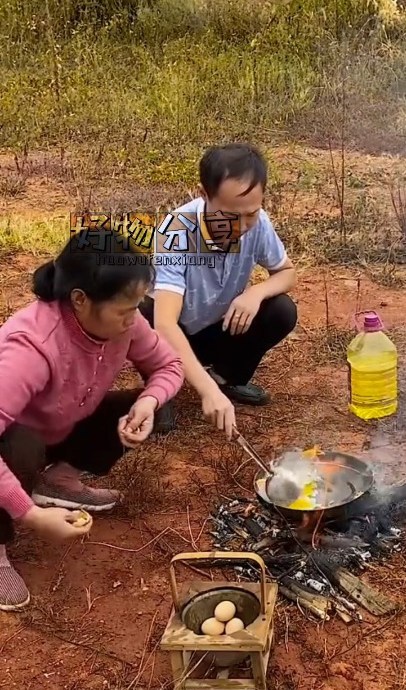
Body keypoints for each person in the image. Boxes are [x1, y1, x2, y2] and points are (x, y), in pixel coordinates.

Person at [0, 229, 184, 611]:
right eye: (125, 309)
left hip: (63, 421)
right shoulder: (30, 348)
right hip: (16, 439)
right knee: (21, 444)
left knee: (151, 404)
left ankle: (59, 480)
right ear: (80, 300)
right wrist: (31, 516)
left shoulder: (125, 324)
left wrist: (149, 402)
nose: (134, 318)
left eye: (137, 305)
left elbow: (168, 365)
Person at [141, 142, 297, 439]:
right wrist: (205, 391)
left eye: (250, 214)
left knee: (281, 310)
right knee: (147, 315)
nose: (240, 226)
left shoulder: (259, 223)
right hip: (175, 333)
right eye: (229, 215)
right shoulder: (176, 230)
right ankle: (162, 387)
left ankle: (228, 377)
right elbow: (165, 323)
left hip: (218, 327)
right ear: (204, 195)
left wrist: (256, 292)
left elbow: (287, 273)